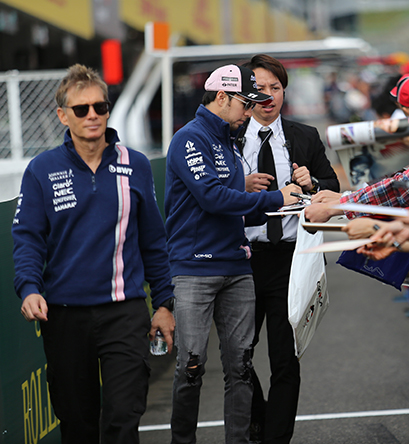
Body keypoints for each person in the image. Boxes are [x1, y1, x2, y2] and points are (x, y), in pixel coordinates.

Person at [12, 64, 176, 444]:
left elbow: (154, 239)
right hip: (65, 317)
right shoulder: (41, 169)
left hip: (125, 312)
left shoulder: (133, 164)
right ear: (62, 115)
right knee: (78, 423)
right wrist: (29, 288)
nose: (92, 116)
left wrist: (165, 304)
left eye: (100, 107)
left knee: (124, 417)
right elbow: (28, 238)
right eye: (82, 109)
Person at [165, 63, 301, 444]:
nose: (249, 112)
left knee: (240, 367)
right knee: (191, 366)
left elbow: (239, 202)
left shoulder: (226, 138)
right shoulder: (189, 139)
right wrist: (275, 198)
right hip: (194, 268)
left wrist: (287, 200)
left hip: (237, 267)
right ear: (221, 97)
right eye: (245, 103)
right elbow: (211, 197)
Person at [235, 54, 339, 444]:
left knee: (285, 359)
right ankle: (259, 419)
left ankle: (276, 437)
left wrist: (311, 182)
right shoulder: (227, 139)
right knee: (239, 356)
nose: (267, 97)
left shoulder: (303, 137)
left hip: (290, 259)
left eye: (275, 88)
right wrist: (241, 185)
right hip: (240, 260)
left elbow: (332, 188)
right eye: (258, 89)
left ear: (284, 92)